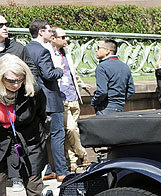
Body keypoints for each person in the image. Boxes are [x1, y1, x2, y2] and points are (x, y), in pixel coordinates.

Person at [0, 54, 55, 196]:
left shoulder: (33, 90)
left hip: (29, 142)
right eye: (10, 80)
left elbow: (41, 114)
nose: (15, 84)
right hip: (1, 144)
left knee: (34, 187)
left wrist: (39, 140)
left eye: (19, 79)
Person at [24, 19, 66, 181]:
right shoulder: (42, 50)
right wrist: (60, 70)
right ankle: (62, 171)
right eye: (49, 30)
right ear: (41, 32)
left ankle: (47, 169)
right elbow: (48, 74)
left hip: (34, 100)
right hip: (50, 99)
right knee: (57, 134)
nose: (51, 33)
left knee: (40, 137)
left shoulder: (26, 48)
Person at [0, 14, 35, 196]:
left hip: (17, 104)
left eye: (6, 24)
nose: (5, 28)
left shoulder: (18, 48)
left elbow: (31, 69)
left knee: (15, 140)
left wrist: (24, 88)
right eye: (1, 25)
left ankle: (16, 178)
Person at [49, 27, 90, 173]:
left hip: (73, 95)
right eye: (63, 37)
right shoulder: (48, 53)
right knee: (71, 128)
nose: (66, 39)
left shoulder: (66, 52)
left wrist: (80, 83)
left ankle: (72, 162)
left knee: (71, 131)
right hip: (60, 98)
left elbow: (71, 71)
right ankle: (83, 154)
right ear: (53, 38)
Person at [91, 39, 134, 115]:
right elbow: (131, 90)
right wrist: (120, 101)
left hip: (105, 108)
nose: (96, 51)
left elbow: (102, 91)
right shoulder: (125, 66)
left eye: (98, 48)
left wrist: (94, 101)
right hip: (120, 107)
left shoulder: (102, 67)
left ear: (107, 51)